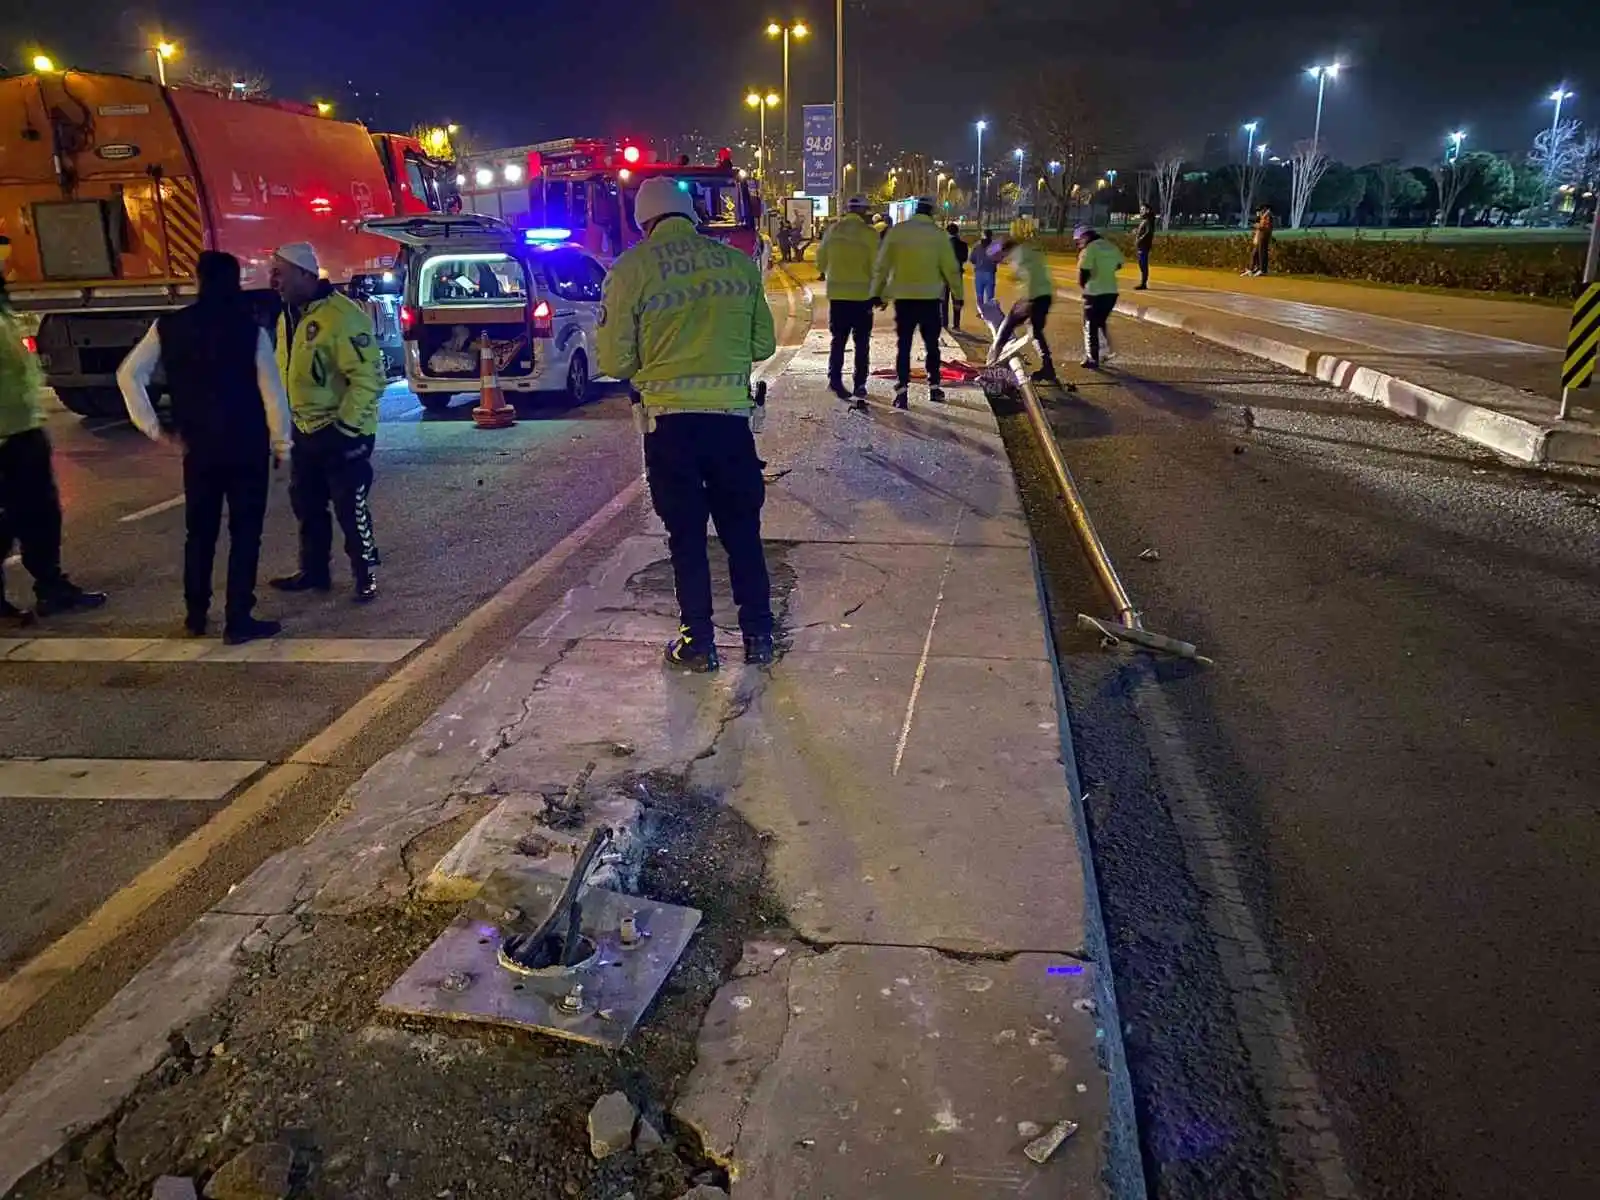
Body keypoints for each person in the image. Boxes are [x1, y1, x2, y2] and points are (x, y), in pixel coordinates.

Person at [597, 176, 777, 673]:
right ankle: (759, 635)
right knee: (743, 530)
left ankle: (698, 641)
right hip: (730, 422)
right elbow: (763, 345)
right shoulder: (737, 265)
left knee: (687, 535)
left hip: (669, 427)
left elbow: (614, 360)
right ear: (692, 215)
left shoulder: (631, 269)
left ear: (644, 220)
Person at [116, 251, 292, 642]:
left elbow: (128, 375)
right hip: (246, 446)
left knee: (200, 532)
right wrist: (282, 445)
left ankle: (196, 614)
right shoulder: (251, 330)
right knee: (246, 533)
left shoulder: (169, 327)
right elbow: (272, 394)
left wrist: (155, 428)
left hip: (198, 447)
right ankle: (238, 618)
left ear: (199, 280)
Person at [268, 242, 385, 602]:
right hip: (305, 430)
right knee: (307, 503)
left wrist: (346, 430)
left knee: (350, 506)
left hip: (343, 431)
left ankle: (365, 573)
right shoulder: (289, 316)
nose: (273, 281)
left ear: (305, 274)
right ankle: (314, 571)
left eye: (280, 273)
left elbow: (369, 380)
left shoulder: (343, 317)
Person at [0, 243, 106, 622]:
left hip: (23, 429)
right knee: (14, 518)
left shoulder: (4, 311)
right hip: (7, 436)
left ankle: (51, 587)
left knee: (38, 516)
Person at [869, 196, 961, 409]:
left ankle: (901, 392)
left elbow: (882, 266)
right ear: (931, 213)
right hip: (930, 300)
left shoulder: (898, 232)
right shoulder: (939, 236)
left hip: (904, 299)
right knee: (932, 346)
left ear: (915, 211)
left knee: (904, 345)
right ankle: (934, 387)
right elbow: (951, 269)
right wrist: (958, 295)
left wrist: (878, 293)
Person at [815, 194, 878, 408]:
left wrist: (833, 273)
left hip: (838, 297)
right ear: (864, 211)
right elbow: (878, 267)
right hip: (862, 297)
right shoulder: (870, 234)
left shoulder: (833, 231)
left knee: (838, 340)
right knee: (862, 343)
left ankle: (835, 380)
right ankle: (860, 383)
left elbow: (820, 262)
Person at [987, 227, 1061, 384]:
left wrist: (1027, 301)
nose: (1000, 261)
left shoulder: (1018, 257)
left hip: (1032, 298)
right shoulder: (1027, 251)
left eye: (999, 257)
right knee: (1036, 331)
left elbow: (1029, 276)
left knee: (1006, 328)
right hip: (1044, 296)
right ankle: (1048, 368)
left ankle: (991, 364)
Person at [1075, 225, 1124, 369]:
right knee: (1100, 322)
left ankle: (1092, 358)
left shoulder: (1089, 249)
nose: (1079, 244)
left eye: (1079, 241)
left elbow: (1083, 271)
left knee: (1089, 325)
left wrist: (1084, 285)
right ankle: (1104, 352)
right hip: (1111, 292)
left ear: (1085, 237)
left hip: (1094, 292)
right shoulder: (1110, 246)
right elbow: (1119, 264)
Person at [941, 222, 970, 330]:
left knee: (944, 300)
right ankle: (956, 324)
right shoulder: (963, 245)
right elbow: (964, 258)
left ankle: (944, 323)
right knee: (957, 299)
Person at [972, 228, 999, 313]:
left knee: (979, 295)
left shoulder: (977, 246)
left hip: (979, 272)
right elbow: (998, 259)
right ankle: (989, 312)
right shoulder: (995, 246)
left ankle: (981, 312)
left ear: (983, 235)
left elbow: (972, 259)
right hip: (990, 272)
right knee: (990, 295)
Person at [1133, 206, 1156, 290]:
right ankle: (1143, 282)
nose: (1141, 211)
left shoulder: (1148, 220)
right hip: (1141, 245)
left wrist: (1140, 239)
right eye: (1141, 209)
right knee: (1141, 263)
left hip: (1144, 245)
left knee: (1143, 264)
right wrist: (1137, 231)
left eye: (1143, 209)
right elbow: (1144, 231)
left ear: (1147, 210)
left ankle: (1143, 283)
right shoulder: (1144, 220)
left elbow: (1148, 232)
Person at [1248, 207, 1274, 276]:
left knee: (1262, 253)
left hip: (1264, 236)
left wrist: (1256, 225)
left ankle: (1262, 270)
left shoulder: (1267, 216)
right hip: (1261, 236)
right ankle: (1254, 269)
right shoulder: (1263, 216)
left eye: (1258, 212)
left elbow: (1265, 227)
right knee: (1257, 253)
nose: (1258, 214)